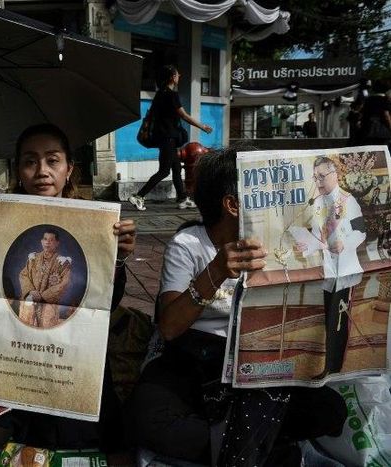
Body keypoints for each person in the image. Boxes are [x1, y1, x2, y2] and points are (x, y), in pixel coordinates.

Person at [125, 147, 346, 466]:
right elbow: (170, 327)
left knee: (330, 412)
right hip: (195, 360)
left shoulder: (285, 243)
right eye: (264, 193)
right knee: (146, 417)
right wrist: (214, 272)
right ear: (232, 204)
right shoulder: (188, 244)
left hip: (262, 363)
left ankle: (239, 440)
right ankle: (262, 447)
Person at [0, 123, 136, 452]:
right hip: (15, 350)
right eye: (30, 161)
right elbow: (6, 285)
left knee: (79, 434)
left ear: (69, 169)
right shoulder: (1, 224)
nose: (42, 171)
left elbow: (102, 301)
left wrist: (116, 259)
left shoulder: (96, 226)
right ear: (18, 170)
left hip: (69, 352)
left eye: (52, 160)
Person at [294, 156, 365, 379]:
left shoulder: (348, 201)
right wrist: (305, 245)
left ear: (335, 175)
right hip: (325, 271)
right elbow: (318, 236)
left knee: (339, 321)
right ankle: (324, 364)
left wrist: (346, 243)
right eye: (315, 177)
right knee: (325, 318)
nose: (319, 182)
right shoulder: (317, 204)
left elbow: (361, 232)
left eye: (322, 176)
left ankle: (334, 368)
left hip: (345, 271)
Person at [128, 65, 212, 211]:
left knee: (176, 168)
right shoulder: (171, 95)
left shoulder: (160, 94)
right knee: (164, 171)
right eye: (178, 75)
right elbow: (184, 115)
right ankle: (139, 196)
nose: (179, 76)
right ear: (173, 77)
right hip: (168, 138)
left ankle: (183, 198)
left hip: (164, 137)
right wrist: (202, 126)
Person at [18, 228, 72, 328]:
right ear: (41, 241)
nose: (47, 242)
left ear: (57, 243)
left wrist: (43, 296)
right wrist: (31, 291)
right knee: (25, 330)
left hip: (49, 305)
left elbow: (65, 283)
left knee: (46, 334)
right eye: (45, 239)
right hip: (30, 302)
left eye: (51, 240)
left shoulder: (63, 263)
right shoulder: (33, 258)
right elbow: (23, 275)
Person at [359, 80, 391, 151]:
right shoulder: (385, 99)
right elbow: (386, 115)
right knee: (383, 150)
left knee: (371, 150)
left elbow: (362, 113)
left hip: (367, 129)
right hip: (382, 130)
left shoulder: (368, 99)